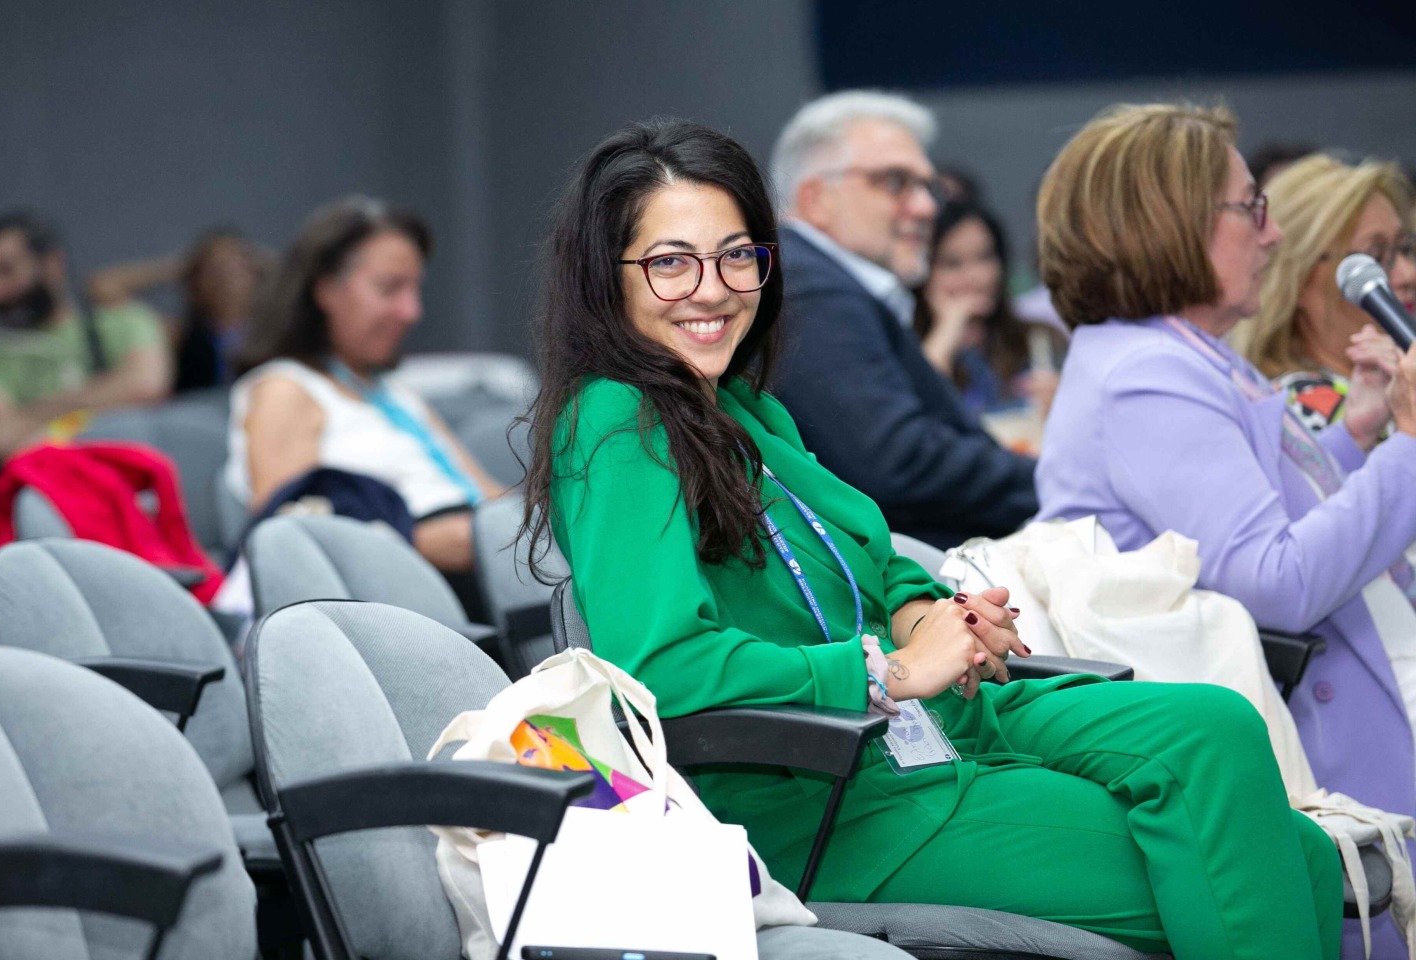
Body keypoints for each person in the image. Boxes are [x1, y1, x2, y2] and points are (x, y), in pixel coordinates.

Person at [523, 117, 1341, 958]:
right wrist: (893, 668)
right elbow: (661, 667)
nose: (714, 287)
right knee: (1283, 867)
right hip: (828, 799)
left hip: (926, 730)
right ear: (606, 279)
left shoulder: (741, 406)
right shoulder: (614, 420)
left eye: (738, 255)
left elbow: (874, 562)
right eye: (670, 262)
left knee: (1224, 735)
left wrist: (931, 617)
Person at [1032, 103, 1416, 956]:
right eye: (1252, 208)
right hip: (1283, 733)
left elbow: (1264, 526)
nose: (1272, 237)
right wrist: (1411, 447)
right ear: (1169, 222)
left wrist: (1354, 438)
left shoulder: (1181, 353)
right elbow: (1275, 584)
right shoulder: (1149, 376)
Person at [768, 91, 1037, 548]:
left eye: (926, 187)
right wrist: (1049, 479)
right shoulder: (811, 289)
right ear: (815, 199)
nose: (927, 207)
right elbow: (896, 462)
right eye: (895, 182)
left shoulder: (819, 280)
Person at [225, 195, 505, 573]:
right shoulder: (285, 390)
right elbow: (291, 545)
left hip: (483, 558)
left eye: (414, 289)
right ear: (325, 290)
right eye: (391, 289)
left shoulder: (389, 391)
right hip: (408, 593)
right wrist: (435, 541)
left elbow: (485, 492)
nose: (412, 311)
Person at [0, 211, 173, 462]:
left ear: (53, 264)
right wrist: (111, 392)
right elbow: (0, 439)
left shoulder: (123, 322)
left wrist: (30, 416)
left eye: (6, 271)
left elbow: (146, 386)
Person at [1236, 154, 1415, 434]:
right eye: (1375, 255)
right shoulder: (1300, 407)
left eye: (1404, 248)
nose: (1407, 274)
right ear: (1301, 279)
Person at [914, 200, 1061, 430]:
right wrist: (947, 329)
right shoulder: (901, 345)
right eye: (952, 264)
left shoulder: (1037, 338)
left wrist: (1065, 403)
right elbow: (916, 413)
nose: (975, 276)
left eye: (985, 257)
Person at [89, 227, 267, 392]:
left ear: (254, 274)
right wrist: (179, 268)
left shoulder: (273, 333)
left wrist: (264, 262)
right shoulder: (181, 336)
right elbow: (103, 286)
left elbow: (293, 282)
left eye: (238, 268)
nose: (226, 280)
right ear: (195, 283)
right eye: (215, 271)